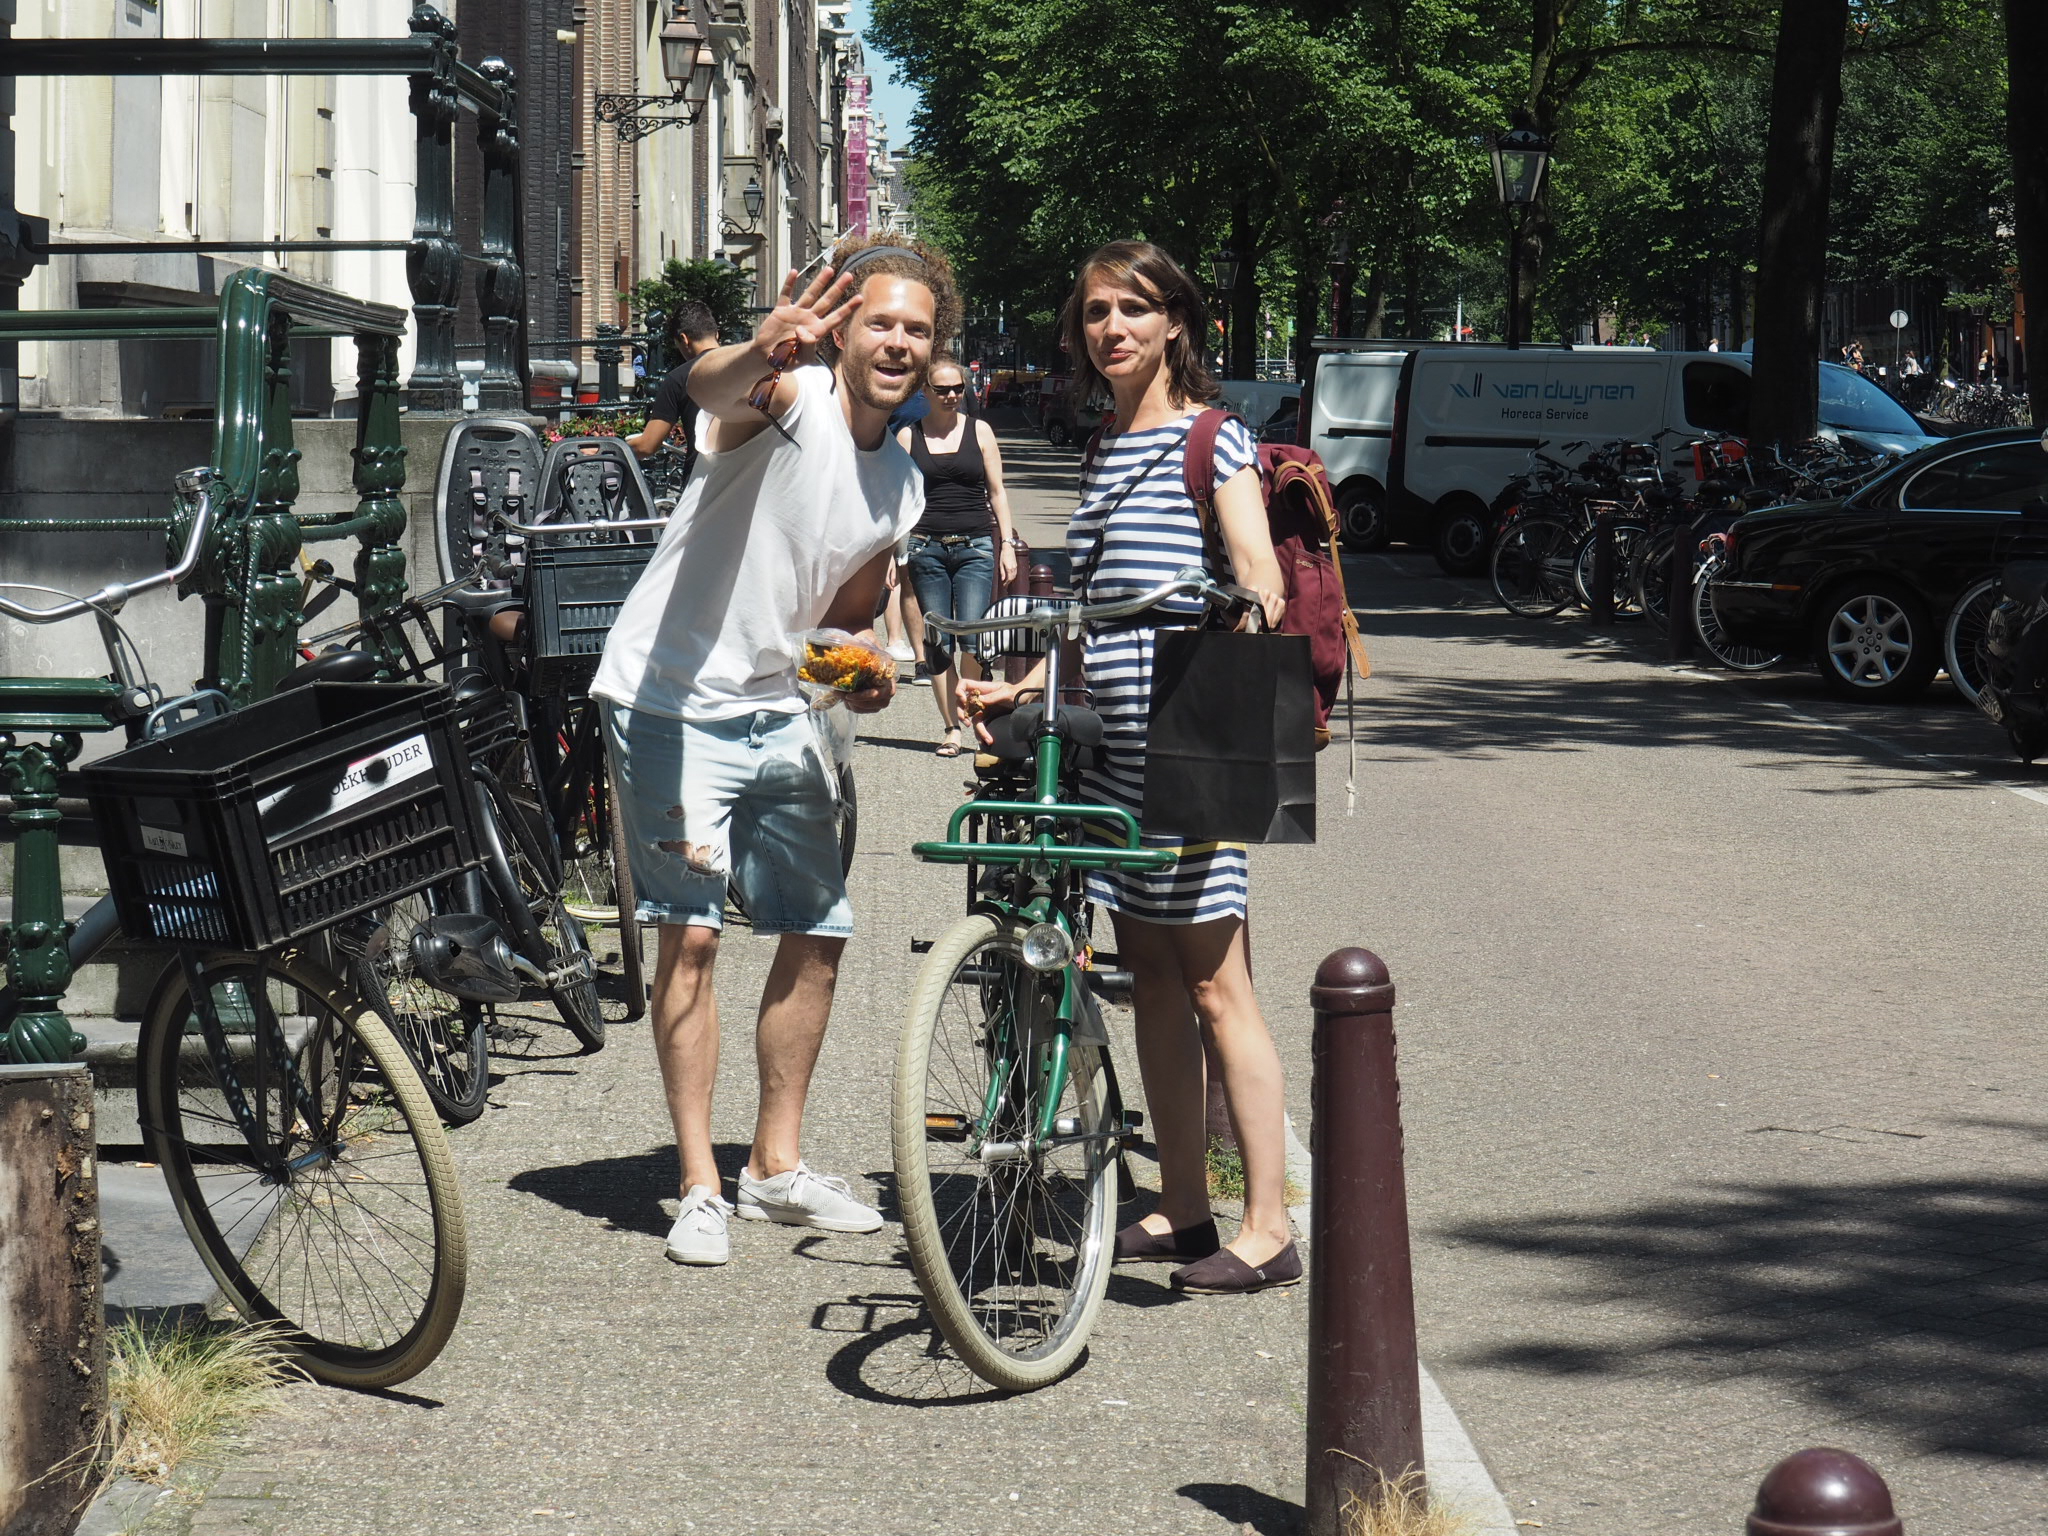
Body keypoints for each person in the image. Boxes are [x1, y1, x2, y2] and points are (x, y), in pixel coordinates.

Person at [590, 234, 957, 1267]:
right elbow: (707, 393)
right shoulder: (784, 401)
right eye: (879, 321)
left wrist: (867, 667)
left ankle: (773, 1168)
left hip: (774, 709)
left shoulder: (902, 487)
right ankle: (699, 1183)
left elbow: (835, 628)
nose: (896, 342)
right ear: (841, 330)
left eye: (916, 330)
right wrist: (758, 350)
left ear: (933, 355)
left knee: (817, 929)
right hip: (670, 699)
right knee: (691, 935)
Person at [959, 240, 1299, 1296]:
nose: (1111, 328)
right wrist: (1019, 688)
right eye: (1097, 312)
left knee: (1214, 982)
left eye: (1133, 311)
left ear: (1174, 327)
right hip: (1105, 745)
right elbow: (1080, 612)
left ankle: (1269, 1225)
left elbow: (1260, 582)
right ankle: (1186, 1209)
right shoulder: (1106, 449)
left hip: (1189, 739)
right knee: (1149, 973)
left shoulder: (1216, 440)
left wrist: (1227, 605)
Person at [898, 358, 1019, 755]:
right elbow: (898, 501)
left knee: (970, 638)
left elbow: (997, 491)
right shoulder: (907, 436)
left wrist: (1007, 545)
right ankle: (951, 727)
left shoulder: (979, 430)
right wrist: (890, 554)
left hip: (975, 546)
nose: (951, 396)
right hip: (925, 546)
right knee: (937, 643)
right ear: (926, 392)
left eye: (957, 389)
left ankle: (972, 712)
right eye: (943, 390)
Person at [627, 301, 722, 472]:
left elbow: (647, 446)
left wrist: (611, 448)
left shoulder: (679, 378)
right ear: (717, 334)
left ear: (684, 339)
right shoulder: (746, 368)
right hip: (750, 479)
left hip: (703, 479)